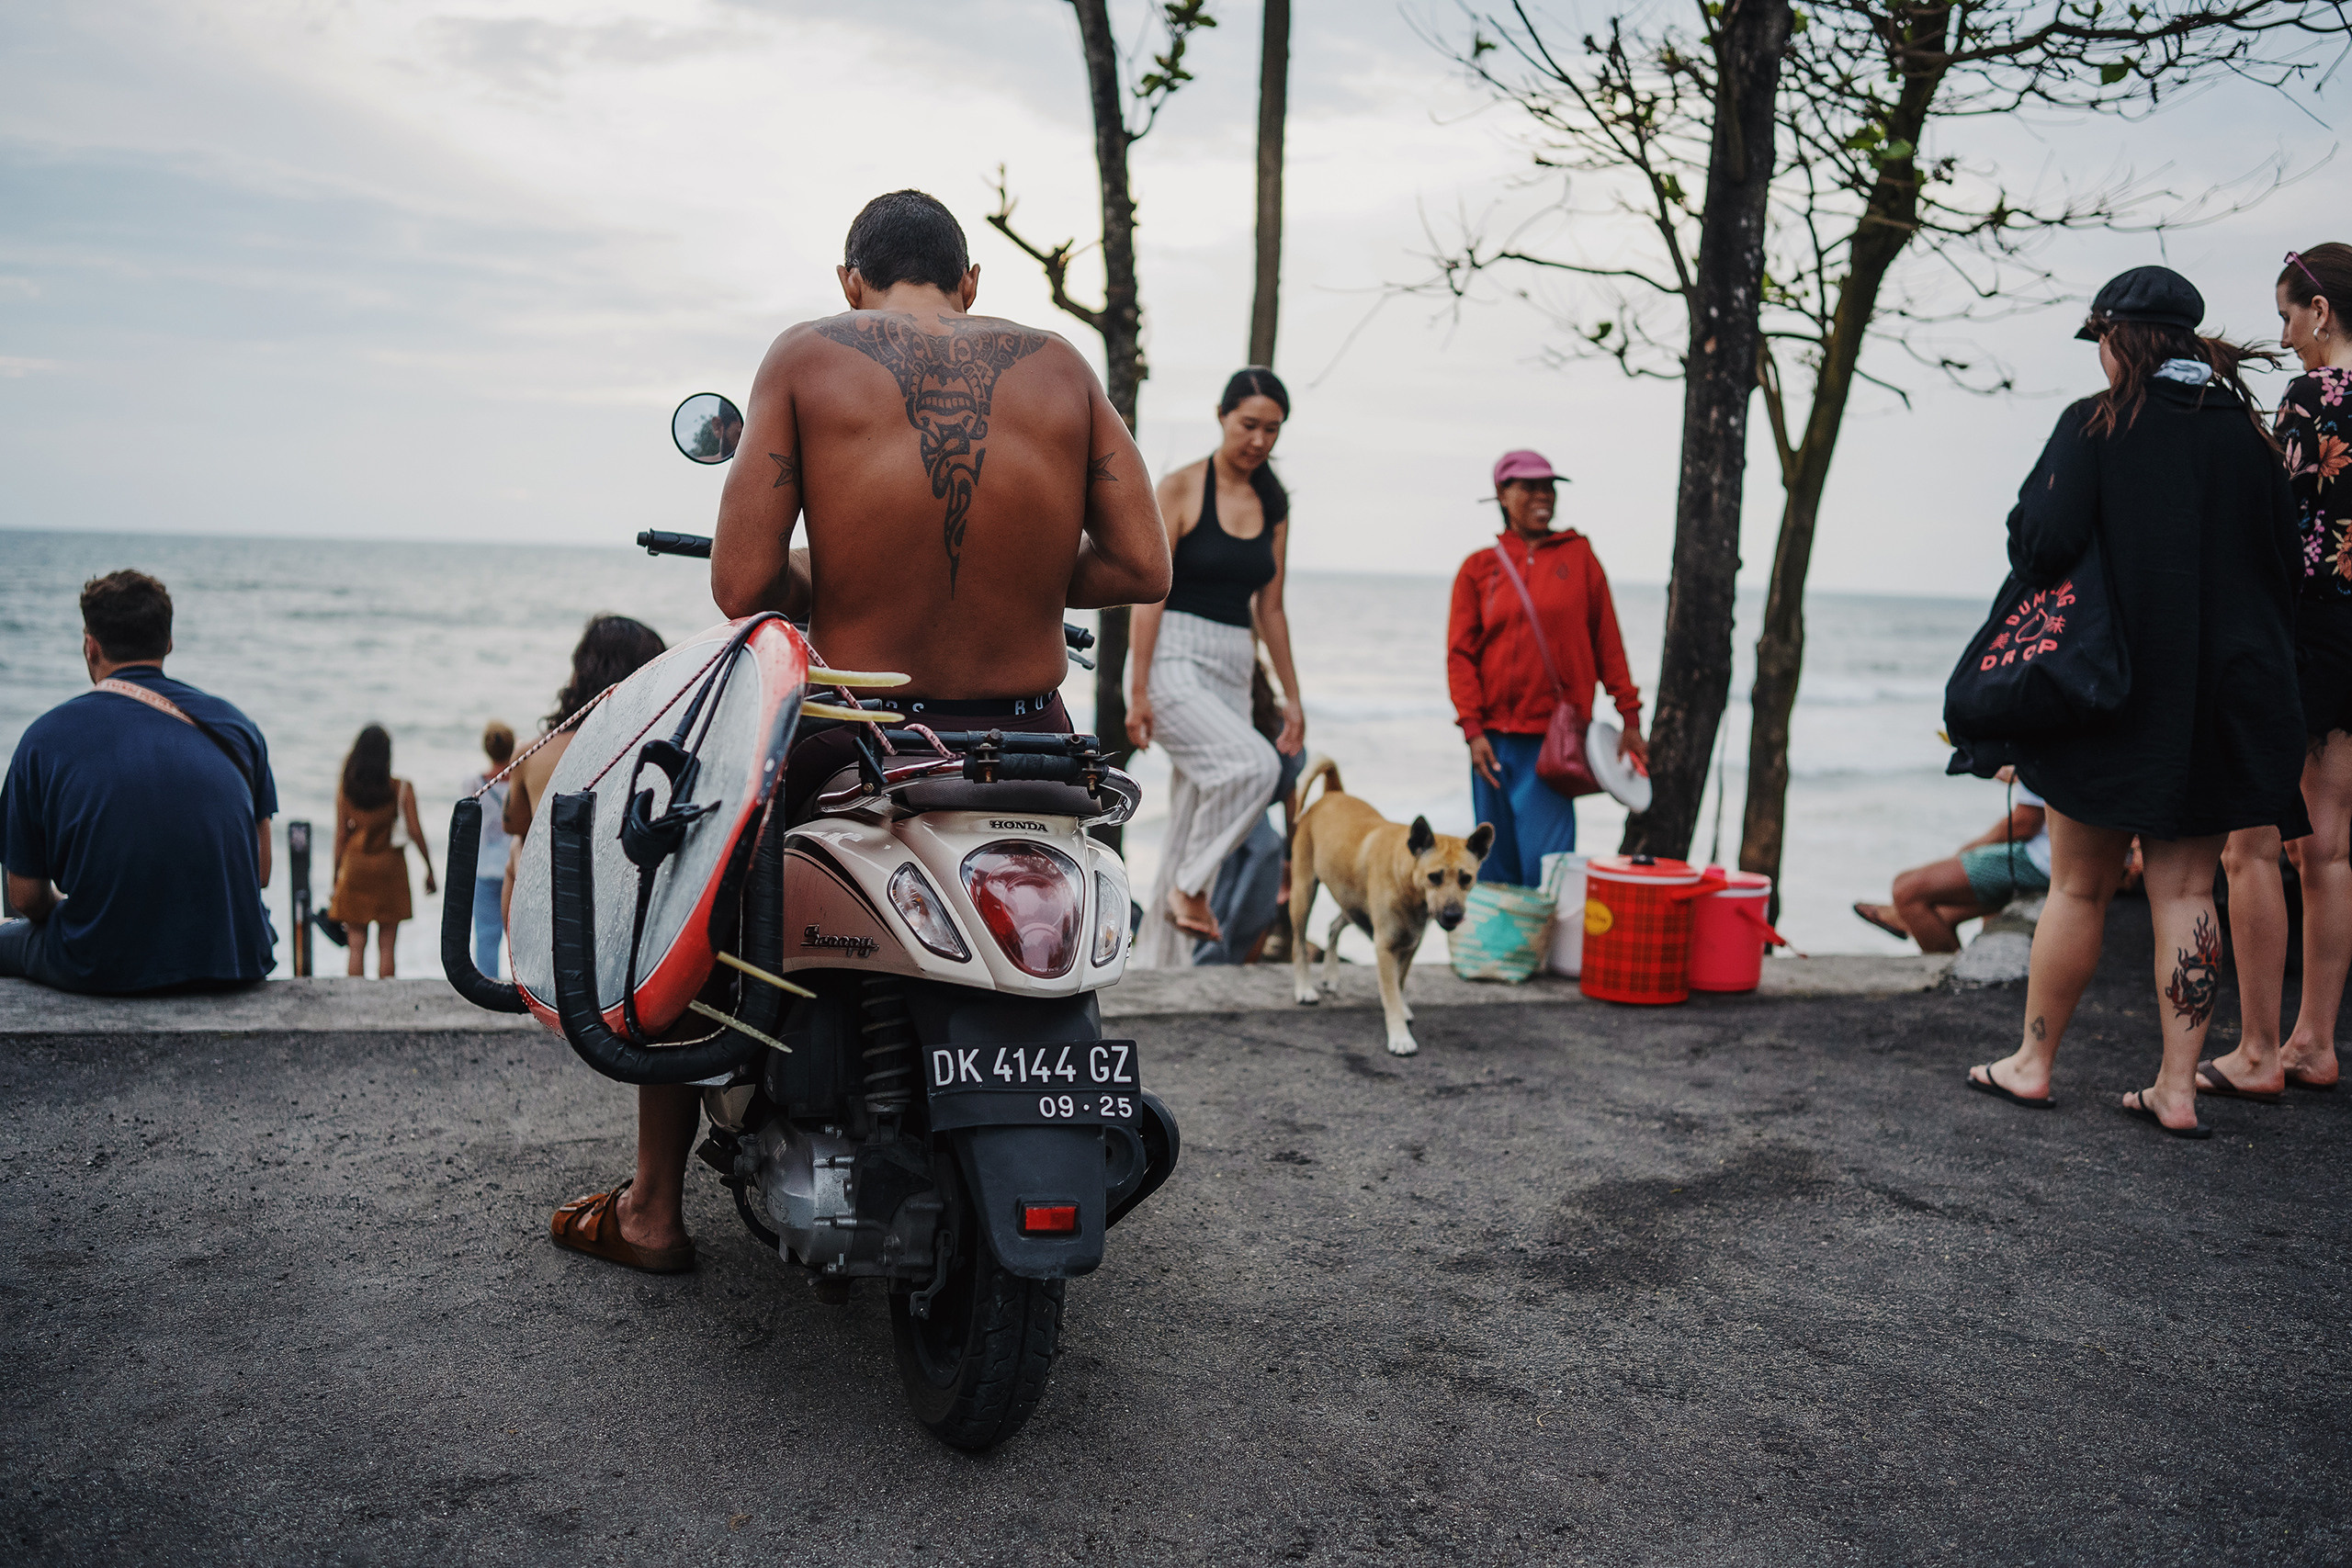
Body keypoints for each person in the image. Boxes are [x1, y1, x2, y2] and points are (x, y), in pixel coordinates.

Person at [544, 187, 1170, 1274]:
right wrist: (1016, 578)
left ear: (851, 279)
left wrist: (840, 574)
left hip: (861, 730)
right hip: (1029, 742)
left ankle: (652, 1206)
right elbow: (1139, 566)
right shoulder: (1061, 363)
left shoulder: (807, 352)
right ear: (971, 283)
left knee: (691, 861)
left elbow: (741, 587)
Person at [1962, 265, 2304, 1138]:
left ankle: (2033, 1064)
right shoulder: (2251, 439)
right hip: (2215, 700)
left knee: (2078, 885)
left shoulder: (2097, 424)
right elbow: (2282, 567)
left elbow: (2041, 544)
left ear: (2118, 339)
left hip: (2105, 690)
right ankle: (2178, 1089)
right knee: (2188, 887)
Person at [2201, 242, 2352, 1100]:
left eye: (2289, 315)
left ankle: (2258, 1051)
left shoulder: (2313, 397)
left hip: (2307, 632)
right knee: (2328, 847)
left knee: (2250, 846)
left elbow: (2277, 529)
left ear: (2321, 310)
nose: (2286, 335)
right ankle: (2315, 1044)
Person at [1, 570, 277, 992]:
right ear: (167, 642)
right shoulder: (237, 727)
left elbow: (24, 899)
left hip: (101, 962)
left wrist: (65, 905)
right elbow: (259, 872)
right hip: (235, 959)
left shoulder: (43, 739)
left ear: (91, 647)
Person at [1127, 367, 1306, 963]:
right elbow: (1149, 592)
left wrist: (1292, 697)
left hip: (1234, 663)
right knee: (1252, 767)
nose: (1258, 440)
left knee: (1186, 820)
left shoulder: (1274, 504)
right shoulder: (1179, 488)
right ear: (1222, 415)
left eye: (1272, 431)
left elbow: (1273, 610)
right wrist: (1138, 691)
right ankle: (1190, 887)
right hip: (1175, 654)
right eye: (1249, 424)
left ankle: (1161, 970)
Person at [1445, 449, 1646, 888]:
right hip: (1493, 740)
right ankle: (1501, 955)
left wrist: (1629, 717)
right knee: (1492, 861)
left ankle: (1548, 955)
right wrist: (1473, 729)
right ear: (1502, 493)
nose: (1543, 496)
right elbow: (1460, 656)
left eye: (1548, 487)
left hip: (1553, 740)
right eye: (1529, 487)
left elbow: (1607, 641)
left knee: (1548, 863)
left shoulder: (1579, 558)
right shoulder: (1478, 568)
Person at [500, 615, 669, 929]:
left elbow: (514, 824)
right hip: (636, 900)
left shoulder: (533, 752)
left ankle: (520, 967)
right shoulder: (661, 746)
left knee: (517, 850)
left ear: (581, 672)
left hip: (561, 906)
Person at [1853, 769, 2047, 953]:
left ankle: (1952, 979)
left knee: (1906, 889)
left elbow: (2025, 824)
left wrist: (1975, 847)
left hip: (2042, 860)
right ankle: (1906, 920)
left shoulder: (2043, 746)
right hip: (2055, 856)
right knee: (1942, 912)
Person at [327, 725, 435, 979]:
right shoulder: (401, 789)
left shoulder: (347, 790)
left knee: (356, 944)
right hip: (390, 868)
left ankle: (355, 999)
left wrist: (336, 875)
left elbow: (341, 836)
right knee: (387, 946)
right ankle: (385, 999)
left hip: (356, 867)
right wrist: (429, 868)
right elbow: (416, 832)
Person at [463, 721, 514, 979]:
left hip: (483, 867)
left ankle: (488, 983)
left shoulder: (472, 783)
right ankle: (523, 985)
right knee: (516, 934)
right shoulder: (518, 783)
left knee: (485, 934)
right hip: (513, 868)